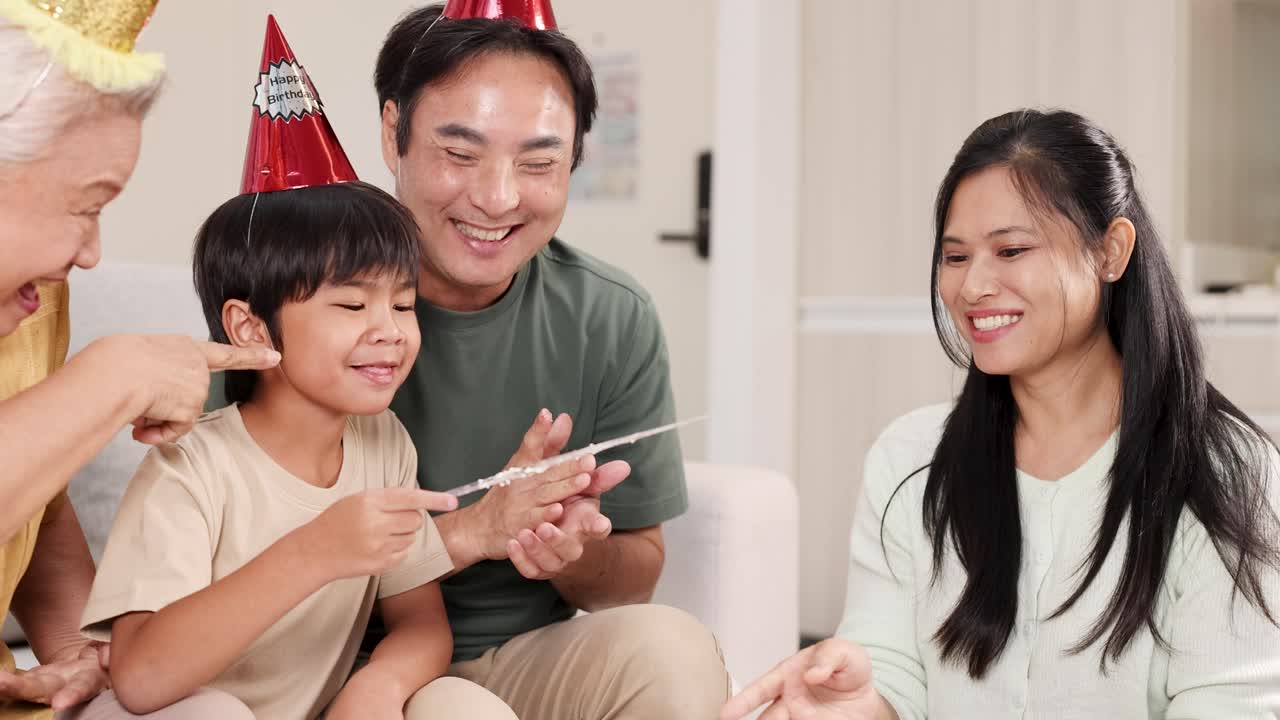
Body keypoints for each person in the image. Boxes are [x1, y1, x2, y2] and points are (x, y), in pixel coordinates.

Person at [723, 109, 1280, 720]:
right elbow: (892, 677)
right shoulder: (910, 458)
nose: (973, 287)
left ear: (1111, 251)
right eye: (955, 257)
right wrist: (856, 703)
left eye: (1011, 250)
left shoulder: (1227, 473)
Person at [76, 16, 521, 720]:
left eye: (402, 305)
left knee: (458, 703)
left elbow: (420, 625)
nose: (390, 333)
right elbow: (141, 677)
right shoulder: (192, 470)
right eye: (351, 306)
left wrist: (372, 690)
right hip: (169, 714)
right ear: (251, 328)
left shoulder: (382, 448)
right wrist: (316, 551)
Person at [376, 2, 730, 717]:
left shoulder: (609, 315)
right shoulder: (301, 296)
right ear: (394, 135)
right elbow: (245, 562)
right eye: (461, 154)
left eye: (537, 162)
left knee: (675, 653)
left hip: (519, 660)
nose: (498, 198)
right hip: (346, 663)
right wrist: (475, 530)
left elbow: (629, 579)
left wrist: (572, 552)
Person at [0, 1, 278, 716]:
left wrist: (72, 655)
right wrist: (114, 378)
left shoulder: (31, 306)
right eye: (85, 206)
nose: (91, 254)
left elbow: (35, 492)